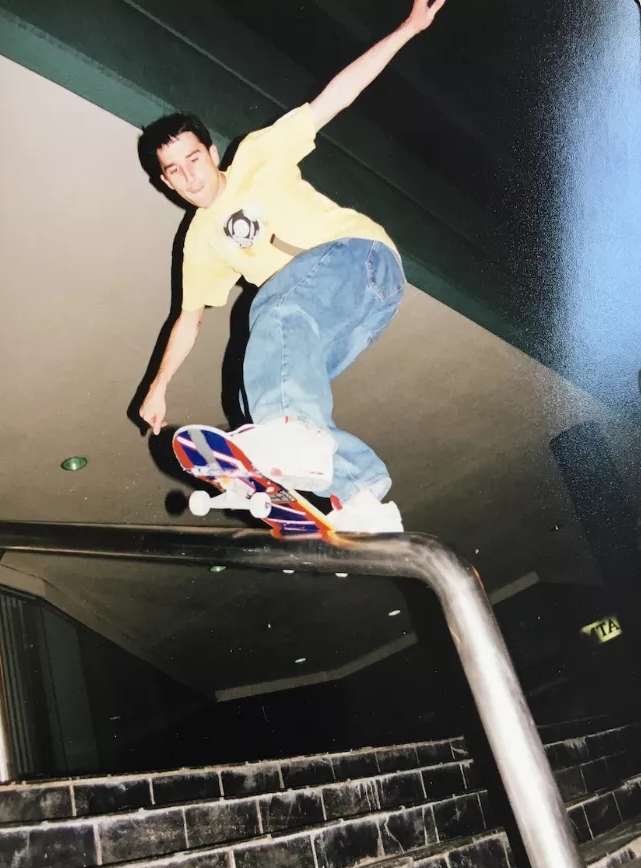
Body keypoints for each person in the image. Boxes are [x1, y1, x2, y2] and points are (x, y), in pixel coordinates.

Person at [138, 0, 447, 532]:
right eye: (175, 172)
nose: (189, 177)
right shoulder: (197, 244)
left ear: (211, 153)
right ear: (166, 183)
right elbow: (187, 319)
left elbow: (335, 97)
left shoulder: (258, 153)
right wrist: (158, 386)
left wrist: (408, 29)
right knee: (243, 393)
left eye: (194, 159)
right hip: (346, 315)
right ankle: (359, 490)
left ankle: (293, 434)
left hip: (360, 260)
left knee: (273, 304)